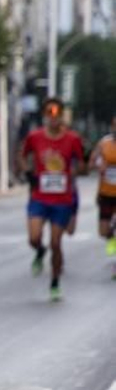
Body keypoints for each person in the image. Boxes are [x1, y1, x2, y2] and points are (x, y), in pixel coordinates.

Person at [19, 97, 85, 302]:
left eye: (56, 114)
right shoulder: (34, 137)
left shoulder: (72, 139)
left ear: (62, 116)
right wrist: (28, 172)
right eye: (49, 113)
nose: (53, 118)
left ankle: (55, 282)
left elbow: (82, 164)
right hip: (39, 197)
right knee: (34, 237)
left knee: (56, 242)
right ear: (44, 115)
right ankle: (40, 251)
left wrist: (74, 172)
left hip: (62, 200)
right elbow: (22, 156)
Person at [92, 112, 116, 274]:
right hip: (106, 193)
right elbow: (92, 161)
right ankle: (111, 236)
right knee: (103, 231)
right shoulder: (104, 143)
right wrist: (98, 165)